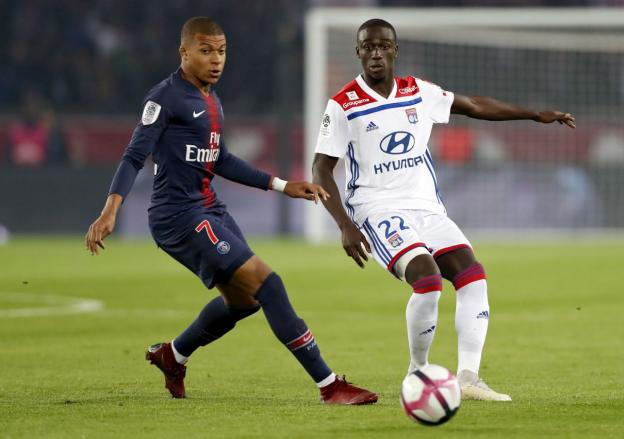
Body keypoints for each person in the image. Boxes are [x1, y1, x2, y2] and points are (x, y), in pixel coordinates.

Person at [85, 16, 377, 405]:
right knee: (269, 283)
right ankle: (329, 386)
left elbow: (220, 160)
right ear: (183, 52)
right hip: (178, 216)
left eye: (221, 51)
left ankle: (172, 355)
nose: (216, 59)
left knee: (245, 302)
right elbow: (134, 155)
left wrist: (282, 186)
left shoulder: (211, 100)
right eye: (205, 51)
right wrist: (110, 210)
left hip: (209, 208)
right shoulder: (164, 98)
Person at [312, 18, 576, 402]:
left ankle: (469, 377)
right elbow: (320, 167)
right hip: (378, 211)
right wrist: (345, 224)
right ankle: (417, 372)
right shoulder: (342, 105)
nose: (376, 53)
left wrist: (534, 114)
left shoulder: (418, 91)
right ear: (358, 52)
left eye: (383, 46)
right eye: (368, 47)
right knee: (428, 280)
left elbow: (472, 105)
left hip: (427, 210)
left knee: (473, 277)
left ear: (395, 50)